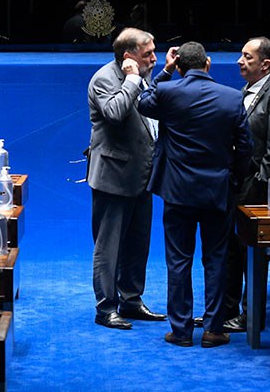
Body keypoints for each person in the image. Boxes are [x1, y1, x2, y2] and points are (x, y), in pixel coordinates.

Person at [138, 42, 253, 348]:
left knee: (178, 260)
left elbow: (142, 101)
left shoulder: (168, 92)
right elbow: (245, 149)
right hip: (217, 191)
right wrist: (235, 180)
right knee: (216, 260)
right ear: (209, 64)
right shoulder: (232, 97)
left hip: (177, 192)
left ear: (178, 67)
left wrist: (163, 72)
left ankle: (181, 330)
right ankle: (214, 329)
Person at [87, 28, 166, 330]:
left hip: (141, 175)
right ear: (128, 56)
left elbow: (146, 104)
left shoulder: (141, 76)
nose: (154, 58)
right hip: (113, 177)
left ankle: (131, 300)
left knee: (137, 244)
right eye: (148, 54)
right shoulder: (104, 79)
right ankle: (106, 308)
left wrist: (166, 72)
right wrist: (133, 79)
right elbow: (116, 112)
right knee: (109, 247)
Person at [223, 36, 270, 332]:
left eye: (247, 57)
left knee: (250, 254)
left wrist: (257, 185)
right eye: (241, 56)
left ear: (265, 64)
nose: (240, 61)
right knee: (231, 252)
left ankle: (251, 315)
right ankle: (225, 311)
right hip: (237, 183)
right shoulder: (245, 92)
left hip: (258, 190)